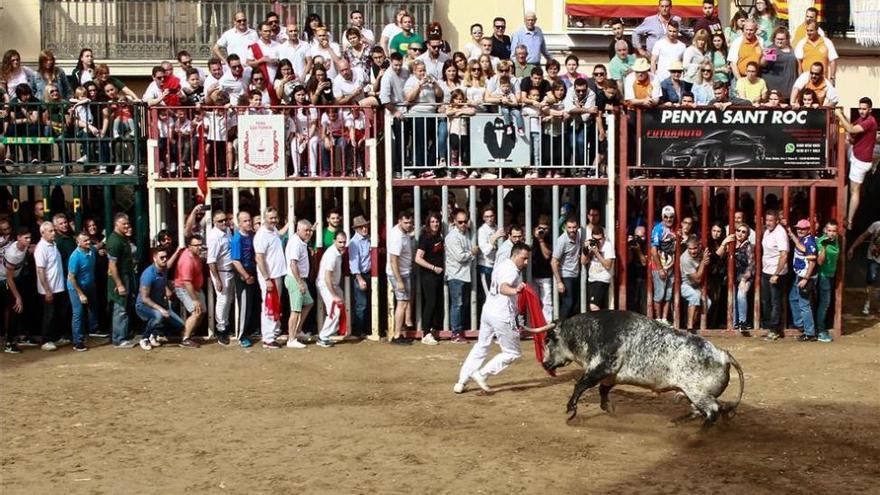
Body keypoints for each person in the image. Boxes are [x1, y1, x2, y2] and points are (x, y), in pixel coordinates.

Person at [453, 243, 531, 394]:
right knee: (512, 352)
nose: (526, 262)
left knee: (481, 346)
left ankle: (461, 381)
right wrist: (516, 290)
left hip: (488, 311)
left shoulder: (502, 264)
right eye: (524, 258)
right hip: (502, 315)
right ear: (515, 255)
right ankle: (482, 374)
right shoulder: (512, 271)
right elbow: (503, 287)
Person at [835, 98, 877, 229]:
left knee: (854, 191)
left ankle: (850, 221)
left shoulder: (870, 121)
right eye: (860, 108)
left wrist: (839, 115)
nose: (861, 111)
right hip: (855, 154)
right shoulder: (862, 119)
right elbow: (851, 128)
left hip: (861, 160)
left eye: (864, 109)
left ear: (870, 109)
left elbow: (851, 130)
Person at [136, 248, 184, 351]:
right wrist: (161, 309)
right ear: (154, 259)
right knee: (158, 316)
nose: (165, 259)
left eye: (166, 257)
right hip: (143, 306)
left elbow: (169, 264)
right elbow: (144, 298)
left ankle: (153, 334)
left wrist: (177, 251)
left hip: (159, 304)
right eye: (161, 257)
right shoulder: (148, 274)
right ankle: (144, 338)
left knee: (179, 324)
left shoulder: (164, 269)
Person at [445, 208, 479, 343]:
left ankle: (460, 330)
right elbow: (460, 257)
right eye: (460, 222)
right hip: (456, 275)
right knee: (457, 304)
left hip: (465, 274)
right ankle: (456, 333)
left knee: (462, 304)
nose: (463, 224)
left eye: (465, 221)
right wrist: (472, 253)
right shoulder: (452, 237)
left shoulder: (467, 234)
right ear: (454, 222)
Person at [254, 207, 287, 348]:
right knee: (269, 306)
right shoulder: (261, 235)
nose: (274, 220)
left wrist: (289, 224)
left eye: (275, 217)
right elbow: (259, 258)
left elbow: (279, 234)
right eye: (271, 218)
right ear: (264, 218)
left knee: (274, 305)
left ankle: (272, 333)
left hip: (276, 274)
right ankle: (268, 338)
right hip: (270, 276)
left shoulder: (273, 230)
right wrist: (267, 279)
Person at [34, 221, 67, 351]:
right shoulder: (41, 248)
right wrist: (47, 290)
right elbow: (40, 270)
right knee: (49, 315)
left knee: (57, 314)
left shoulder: (53, 244)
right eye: (51, 231)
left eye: (54, 230)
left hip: (58, 287)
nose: (54, 233)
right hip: (49, 288)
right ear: (43, 233)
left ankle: (55, 337)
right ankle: (46, 340)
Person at [784, 219, 818, 341]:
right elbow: (800, 246)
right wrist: (791, 233)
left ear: (808, 230)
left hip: (805, 277)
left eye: (803, 229)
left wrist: (805, 278)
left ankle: (810, 333)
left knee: (804, 305)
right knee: (793, 298)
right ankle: (801, 325)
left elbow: (812, 263)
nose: (800, 230)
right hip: (799, 275)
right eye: (798, 228)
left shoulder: (810, 242)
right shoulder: (803, 240)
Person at [229, 210, 259, 347]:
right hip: (243, 273)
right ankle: (241, 336)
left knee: (253, 304)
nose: (248, 223)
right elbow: (235, 261)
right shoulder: (237, 239)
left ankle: (251, 330)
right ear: (239, 223)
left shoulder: (253, 235)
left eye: (249, 220)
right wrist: (246, 276)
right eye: (245, 221)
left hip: (253, 270)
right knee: (245, 305)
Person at [106, 213, 135, 348]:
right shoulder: (115, 241)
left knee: (123, 307)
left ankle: (121, 335)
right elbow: (112, 265)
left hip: (126, 276)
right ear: (116, 224)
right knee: (120, 307)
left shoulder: (122, 238)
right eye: (124, 224)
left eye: (127, 224)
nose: (127, 226)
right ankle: (119, 339)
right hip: (120, 278)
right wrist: (119, 284)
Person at [205, 210, 234, 345]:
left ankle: (225, 325)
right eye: (220, 221)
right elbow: (211, 260)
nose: (224, 223)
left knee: (228, 300)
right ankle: (221, 329)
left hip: (229, 270)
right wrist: (217, 279)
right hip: (220, 271)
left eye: (225, 220)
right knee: (222, 300)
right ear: (214, 222)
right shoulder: (214, 236)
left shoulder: (227, 231)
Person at [415, 212, 444, 345]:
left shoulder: (439, 236)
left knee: (436, 303)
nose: (435, 224)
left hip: (437, 276)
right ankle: (425, 333)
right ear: (428, 223)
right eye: (432, 221)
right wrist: (433, 268)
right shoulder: (425, 238)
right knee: (430, 303)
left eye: (437, 221)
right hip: (428, 276)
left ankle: (432, 330)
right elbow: (418, 258)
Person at [66, 232, 99, 352]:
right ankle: (77, 341)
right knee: (78, 313)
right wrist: (80, 294)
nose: (88, 242)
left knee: (93, 307)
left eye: (88, 240)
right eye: (84, 241)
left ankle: (93, 329)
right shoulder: (75, 257)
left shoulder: (91, 251)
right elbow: (72, 277)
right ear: (78, 242)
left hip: (89, 285)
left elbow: (97, 248)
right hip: (76, 288)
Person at [284, 219, 313, 349]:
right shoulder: (296, 243)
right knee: (295, 310)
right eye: (306, 230)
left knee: (309, 303)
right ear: (298, 230)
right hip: (295, 279)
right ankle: (291, 339)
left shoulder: (300, 241)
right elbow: (293, 264)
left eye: (310, 230)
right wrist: (300, 283)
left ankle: (297, 331)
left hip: (300, 279)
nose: (308, 233)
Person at [386, 210, 415, 345]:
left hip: (403, 271)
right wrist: (399, 280)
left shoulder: (401, 232)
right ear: (399, 221)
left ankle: (400, 333)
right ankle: (397, 335)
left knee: (404, 302)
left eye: (410, 222)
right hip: (399, 273)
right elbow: (393, 260)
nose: (409, 225)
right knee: (402, 303)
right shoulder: (397, 237)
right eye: (406, 222)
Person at [721, 223, 754, 335]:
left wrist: (744, 279)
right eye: (738, 230)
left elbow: (751, 265)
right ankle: (734, 323)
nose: (740, 233)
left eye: (743, 232)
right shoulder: (731, 244)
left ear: (747, 235)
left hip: (745, 277)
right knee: (733, 299)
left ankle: (742, 322)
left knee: (741, 294)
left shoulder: (748, 246)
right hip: (733, 277)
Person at [315, 230, 347, 348]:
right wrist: (333, 294)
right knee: (335, 310)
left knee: (338, 307)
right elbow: (327, 276)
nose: (342, 245)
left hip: (332, 284)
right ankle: (323, 336)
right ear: (334, 241)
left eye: (344, 242)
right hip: (326, 284)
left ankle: (327, 334)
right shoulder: (332, 254)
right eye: (340, 242)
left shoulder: (337, 252)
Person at [761, 210, 788, 341]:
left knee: (775, 302)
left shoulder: (780, 233)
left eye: (771, 220)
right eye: (767, 220)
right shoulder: (767, 231)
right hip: (766, 271)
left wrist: (776, 274)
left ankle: (775, 329)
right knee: (766, 301)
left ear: (777, 221)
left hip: (776, 273)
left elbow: (784, 255)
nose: (768, 223)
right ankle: (769, 326)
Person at [2, 226, 30, 354]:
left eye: (29, 237)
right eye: (26, 238)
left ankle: (22, 335)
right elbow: (9, 278)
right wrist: (17, 297)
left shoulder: (23, 246)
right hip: (5, 280)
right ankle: (9, 343)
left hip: (16, 278)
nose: (29, 240)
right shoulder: (12, 254)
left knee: (21, 308)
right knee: (15, 307)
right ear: (19, 238)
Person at [552, 215, 585, 319]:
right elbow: (553, 262)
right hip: (566, 275)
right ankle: (559, 326)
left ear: (578, 226)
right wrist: (559, 282)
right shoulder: (562, 241)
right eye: (569, 227)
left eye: (574, 227)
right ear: (565, 227)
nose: (572, 230)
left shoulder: (580, 234)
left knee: (576, 302)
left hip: (576, 273)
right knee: (568, 302)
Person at [847, 220, 880, 316]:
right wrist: (852, 247)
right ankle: (868, 303)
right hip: (873, 257)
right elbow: (863, 236)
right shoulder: (876, 225)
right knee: (870, 281)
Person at [814, 220, 839, 343]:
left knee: (826, 303)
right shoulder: (821, 242)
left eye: (834, 231)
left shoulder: (836, 241)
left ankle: (822, 328)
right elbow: (819, 262)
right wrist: (823, 247)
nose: (832, 233)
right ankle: (820, 330)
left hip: (831, 275)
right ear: (825, 230)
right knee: (825, 303)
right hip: (823, 275)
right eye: (829, 230)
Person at [679, 237, 710, 332]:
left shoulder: (701, 252)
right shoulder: (685, 259)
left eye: (695, 248)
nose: (693, 251)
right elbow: (697, 278)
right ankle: (690, 327)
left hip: (696, 286)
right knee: (695, 297)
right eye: (690, 249)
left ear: (699, 246)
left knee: (708, 303)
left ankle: (694, 323)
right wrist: (703, 263)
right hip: (685, 284)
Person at [347, 216, 372, 338]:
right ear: (356, 229)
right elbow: (354, 262)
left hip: (368, 274)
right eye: (362, 227)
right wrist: (359, 278)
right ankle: (358, 330)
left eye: (366, 226)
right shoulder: (354, 243)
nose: (364, 228)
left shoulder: (368, 239)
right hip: (361, 275)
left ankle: (366, 329)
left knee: (366, 303)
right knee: (361, 304)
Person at [477, 206, 505, 309]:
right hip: (485, 267)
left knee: (497, 296)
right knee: (488, 296)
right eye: (486, 216)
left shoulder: (498, 227)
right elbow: (486, 250)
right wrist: (495, 237)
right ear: (483, 218)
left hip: (497, 267)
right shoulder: (482, 230)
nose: (489, 218)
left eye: (491, 216)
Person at [761, 27, 798, 101]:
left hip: (789, 88)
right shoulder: (772, 49)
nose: (780, 41)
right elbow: (763, 65)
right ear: (774, 39)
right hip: (775, 89)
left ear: (787, 39)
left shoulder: (791, 49)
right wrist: (765, 56)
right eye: (778, 39)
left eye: (782, 39)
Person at [585, 226, 615, 311]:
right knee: (590, 307)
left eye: (600, 239)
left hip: (602, 280)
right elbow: (583, 262)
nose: (598, 242)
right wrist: (586, 250)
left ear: (603, 237)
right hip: (591, 279)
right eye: (595, 239)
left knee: (593, 306)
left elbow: (608, 265)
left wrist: (597, 253)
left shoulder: (608, 246)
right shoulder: (591, 245)